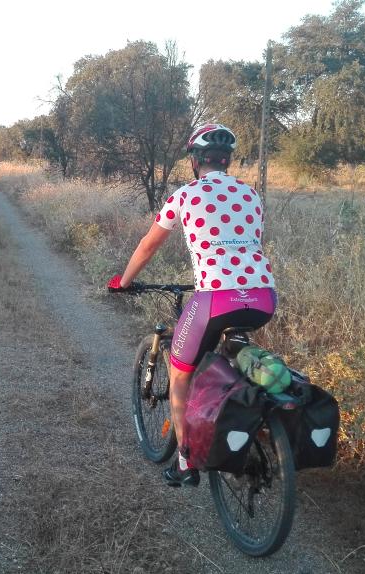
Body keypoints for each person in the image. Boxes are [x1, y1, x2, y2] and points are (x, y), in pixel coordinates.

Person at [107, 123, 276, 487]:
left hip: (215, 298)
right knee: (227, 361)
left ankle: (185, 463)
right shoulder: (251, 195)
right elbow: (245, 245)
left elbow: (149, 246)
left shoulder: (185, 195)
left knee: (181, 374)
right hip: (262, 296)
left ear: (195, 161)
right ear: (228, 160)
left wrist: (123, 282)